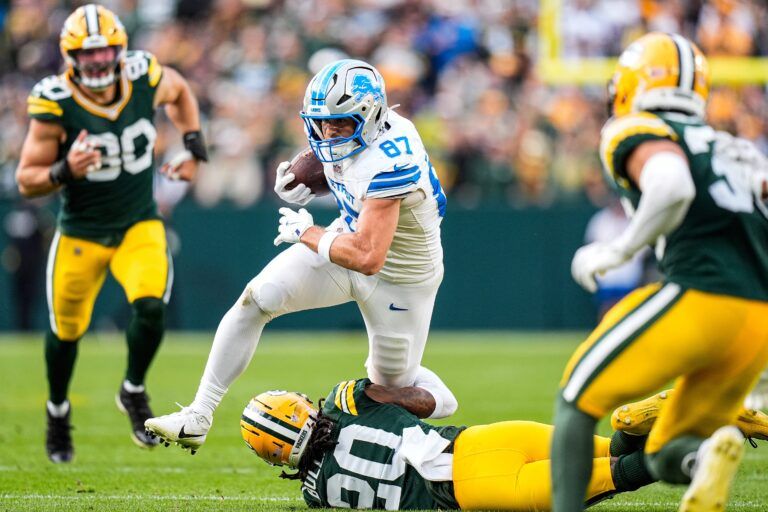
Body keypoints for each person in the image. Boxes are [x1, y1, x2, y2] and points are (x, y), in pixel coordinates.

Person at [145, 59, 452, 452]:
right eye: (322, 122)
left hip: (400, 280)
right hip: (348, 239)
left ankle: (442, 399)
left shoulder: (395, 157)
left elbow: (368, 256)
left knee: (388, 392)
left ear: (371, 117)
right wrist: (307, 183)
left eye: (340, 123)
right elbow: (344, 168)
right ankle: (198, 415)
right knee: (258, 298)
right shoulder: (356, 137)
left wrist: (306, 232)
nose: (328, 132)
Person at [551, 32, 768, 512]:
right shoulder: (736, 149)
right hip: (758, 321)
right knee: (669, 451)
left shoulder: (634, 127)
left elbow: (670, 185)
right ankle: (703, 462)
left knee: (575, 398)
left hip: (702, 296)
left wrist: (615, 250)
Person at [15, 4, 207, 463]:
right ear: (70, 57)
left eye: (106, 52)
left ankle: (132, 388)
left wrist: (194, 146)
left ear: (120, 51)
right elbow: (27, 178)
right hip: (81, 232)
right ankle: (57, 410)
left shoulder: (144, 74)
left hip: (137, 223)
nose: (98, 62)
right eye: (88, 54)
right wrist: (65, 168)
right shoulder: (55, 100)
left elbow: (180, 94)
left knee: (150, 306)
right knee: (66, 332)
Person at [234, 379, 768, 511]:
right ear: (300, 408)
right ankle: (645, 417)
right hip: (485, 439)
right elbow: (423, 401)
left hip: (472, 491)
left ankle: (698, 455)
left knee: (621, 477)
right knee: (612, 451)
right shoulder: (343, 398)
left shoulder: (316, 494)